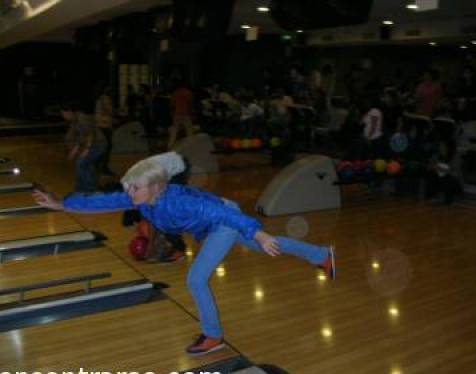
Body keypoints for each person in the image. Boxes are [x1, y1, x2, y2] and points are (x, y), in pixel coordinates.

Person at [33, 159, 336, 356]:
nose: (129, 192)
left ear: (154, 187)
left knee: (196, 279)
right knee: (267, 246)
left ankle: (212, 336)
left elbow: (223, 214)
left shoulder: (181, 201)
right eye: (128, 187)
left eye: (134, 187)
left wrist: (257, 232)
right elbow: (103, 201)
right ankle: (322, 255)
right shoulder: (143, 196)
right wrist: (62, 205)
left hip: (224, 220)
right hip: (214, 222)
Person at [122, 151, 190, 263]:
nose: (137, 229)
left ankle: (180, 251)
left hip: (177, 167)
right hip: (168, 164)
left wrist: (150, 247)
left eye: (135, 225)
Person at [62, 102, 106, 192]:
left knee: (82, 163)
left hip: (98, 144)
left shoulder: (82, 118)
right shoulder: (74, 120)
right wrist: (74, 151)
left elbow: (90, 134)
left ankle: (90, 189)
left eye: (63, 114)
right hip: (92, 144)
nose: (63, 116)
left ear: (69, 112)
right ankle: (82, 188)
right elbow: (79, 138)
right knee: (85, 165)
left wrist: (87, 150)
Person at [168, 80, 194, 149]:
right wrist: (192, 114)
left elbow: (172, 105)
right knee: (189, 131)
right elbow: (190, 105)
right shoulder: (188, 93)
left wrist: (172, 113)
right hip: (186, 114)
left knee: (175, 130)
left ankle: (170, 145)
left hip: (177, 113)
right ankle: (191, 146)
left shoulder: (175, 93)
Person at [95, 87, 114, 175]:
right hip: (104, 126)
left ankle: (99, 167)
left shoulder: (99, 99)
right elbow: (109, 110)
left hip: (99, 125)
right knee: (106, 148)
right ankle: (104, 169)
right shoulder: (106, 99)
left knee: (101, 148)